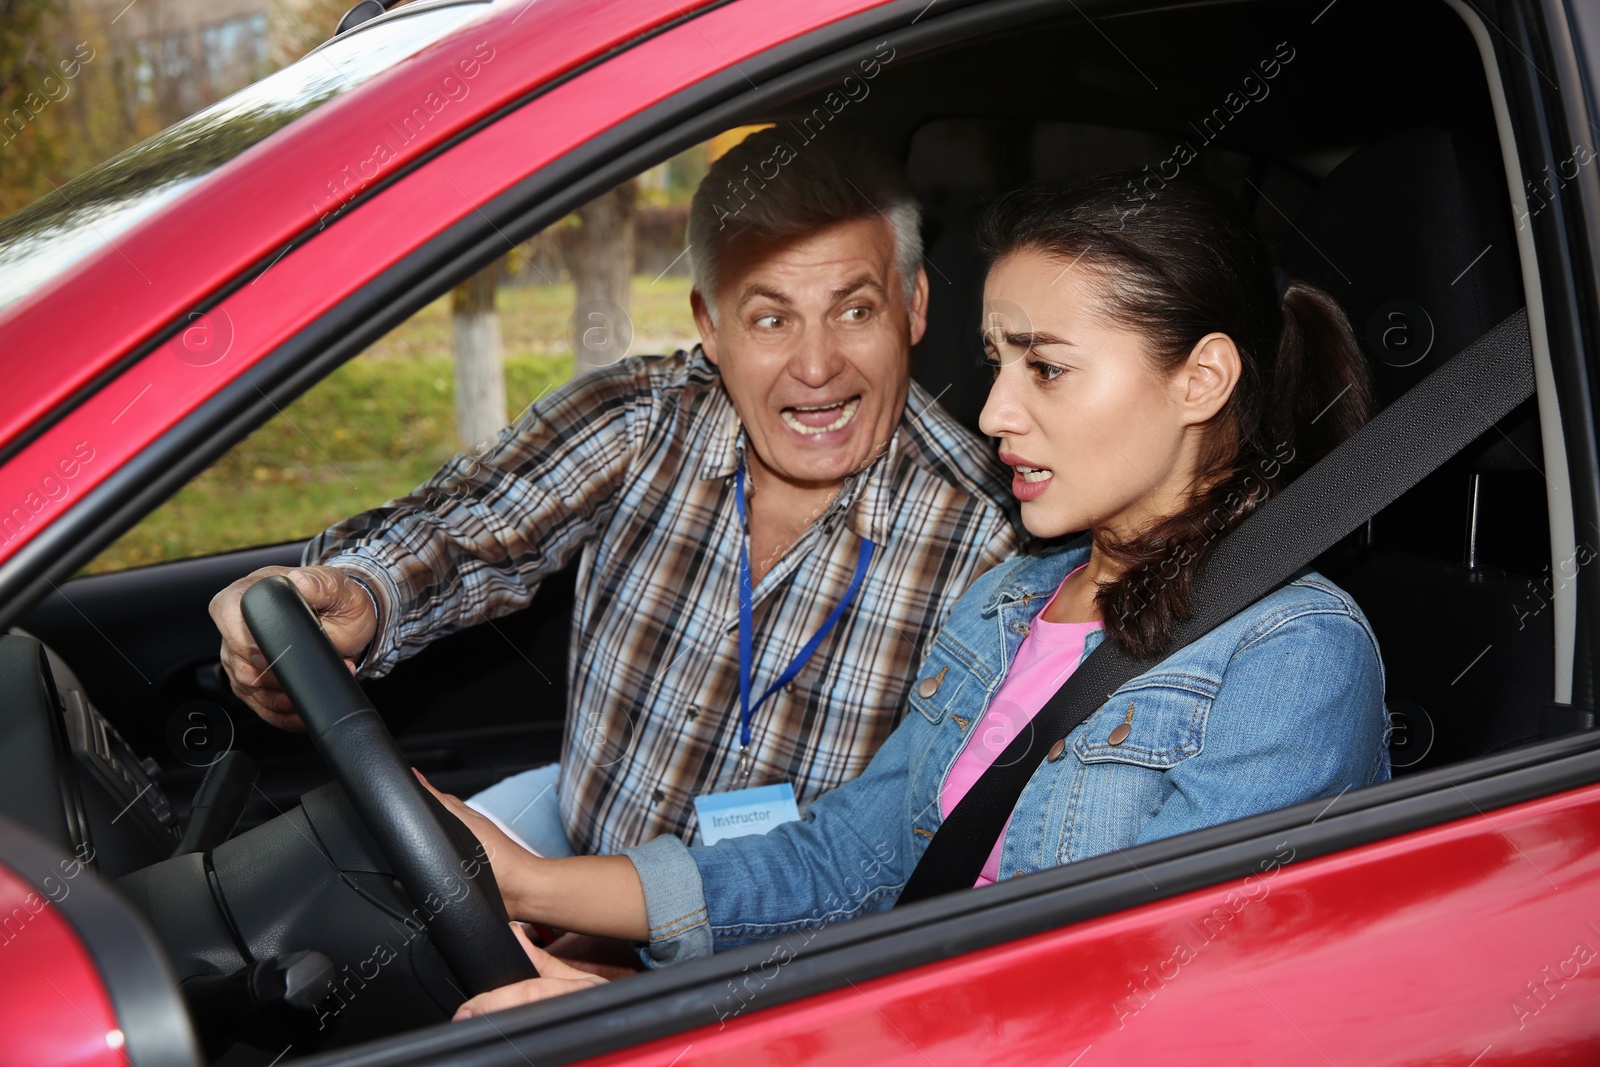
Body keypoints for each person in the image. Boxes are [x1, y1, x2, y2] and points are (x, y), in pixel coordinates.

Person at [424, 171, 1393, 1017]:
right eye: (997, 360)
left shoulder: (1289, 654)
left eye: (1045, 367)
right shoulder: (1006, 600)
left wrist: (705, 1039)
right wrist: (531, 880)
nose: (993, 411)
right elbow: (846, 860)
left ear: (1201, 379)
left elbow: (1143, 1000)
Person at [208, 129, 1023, 867]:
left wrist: (637, 950)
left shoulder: (992, 538)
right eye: (770, 319)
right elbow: (468, 526)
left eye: (854, 309)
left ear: (913, 308)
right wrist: (359, 592)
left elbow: (922, 849)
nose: (816, 367)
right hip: (574, 831)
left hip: (777, 947)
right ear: (710, 325)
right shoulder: (641, 418)